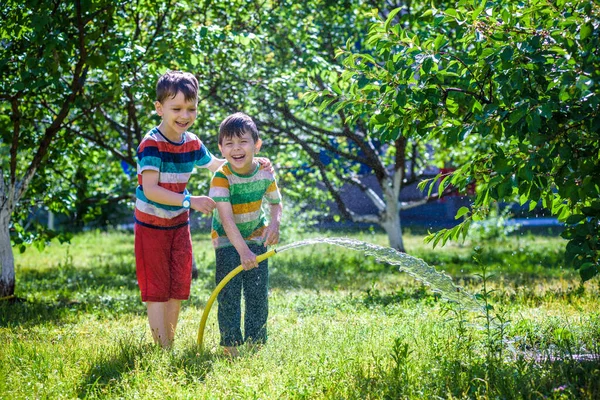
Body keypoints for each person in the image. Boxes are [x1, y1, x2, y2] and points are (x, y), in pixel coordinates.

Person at [134, 71, 272, 348]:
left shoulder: (191, 142)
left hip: (178, 225)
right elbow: (150, 189)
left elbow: (219, 164)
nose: (184, 115)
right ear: (159, 108)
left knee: (179, 285)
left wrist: (253, 162)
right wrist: (190, 200)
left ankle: (168, 343)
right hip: (151, 225)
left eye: (191, 108)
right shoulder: (152, 144)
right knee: (157, 288)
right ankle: (161, 347)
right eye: (176, 109)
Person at [209, 112, 283, 358]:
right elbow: (227, 220)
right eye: (229, 143)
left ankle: (256, 344)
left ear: (256, 144)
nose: (236, 148)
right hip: (227, 241)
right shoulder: (221, 177)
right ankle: (230, 347)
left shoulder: (264, 171)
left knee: (257, 293)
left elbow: (275, 203)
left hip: (256, 235)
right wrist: (243, 251)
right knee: (229, 293)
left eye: (243, 142)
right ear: (221, 148)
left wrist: (274, 224)